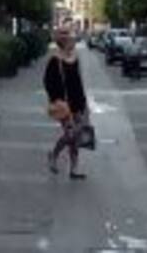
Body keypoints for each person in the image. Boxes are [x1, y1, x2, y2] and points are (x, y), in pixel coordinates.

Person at [45, 26, 89, 180]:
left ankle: (74, 169)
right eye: (71, 40)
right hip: (64, 104)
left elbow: (78, 82)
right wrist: (56, 99)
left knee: (76, 138)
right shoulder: (55, 59)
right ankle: (54, 154)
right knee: (71, 134)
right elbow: (48, 82)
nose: (73, 42)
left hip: (77, 102)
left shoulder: (75, 58)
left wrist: (84, 104)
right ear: (64, 42)